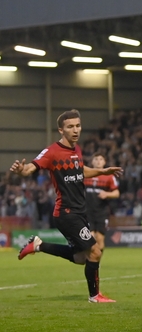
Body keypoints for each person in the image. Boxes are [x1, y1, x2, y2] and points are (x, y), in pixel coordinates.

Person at [12, 109, 122, 303]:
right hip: (66, 213)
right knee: (95, 251)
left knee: (81, 258)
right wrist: (22, 171)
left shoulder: (76, 149)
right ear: (61, 130)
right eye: (70, 127)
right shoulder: (52, 152)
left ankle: (38, 245)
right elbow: (30, 168)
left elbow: (81, 171)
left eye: (78, 126)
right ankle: (95, 296)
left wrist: (102, 171)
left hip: (80, 212)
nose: (75, 130)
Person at [83, 152, 120, 274]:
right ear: (92, 162)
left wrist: (107, 194)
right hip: (88, 211)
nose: (98, 161)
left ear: (104, 162)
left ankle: (97, 261)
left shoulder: (109, 176)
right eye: (96, 159)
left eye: (101, 159)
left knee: (100, 239)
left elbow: (116, 193)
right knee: (92, 237)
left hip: (102, 212)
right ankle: (92, 260)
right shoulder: (86, 174)